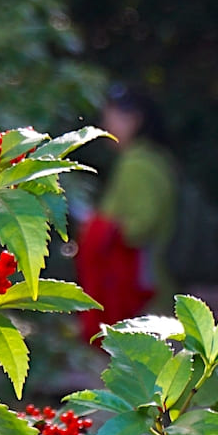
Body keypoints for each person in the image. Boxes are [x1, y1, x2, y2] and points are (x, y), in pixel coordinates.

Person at [75, 83, 179, 343]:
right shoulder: (155, 159)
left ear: (134, 120)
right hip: (154, 282)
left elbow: (139, 227)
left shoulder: (137, 164)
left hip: (140, 289)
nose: (106, 125)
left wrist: (99, 226)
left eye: (111, 118)